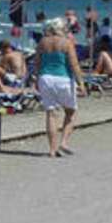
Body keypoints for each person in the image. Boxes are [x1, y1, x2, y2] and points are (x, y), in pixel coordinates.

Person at [35, 16, 84, 156]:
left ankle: (52, 149)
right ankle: (63, 142)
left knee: (51, 113)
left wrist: (36, 79)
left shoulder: (43, 42)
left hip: (45, 78)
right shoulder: (66, 43)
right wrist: (81, 83)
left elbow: (37, 62)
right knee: (71, 112)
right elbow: (74, 64)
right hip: (63, 78)